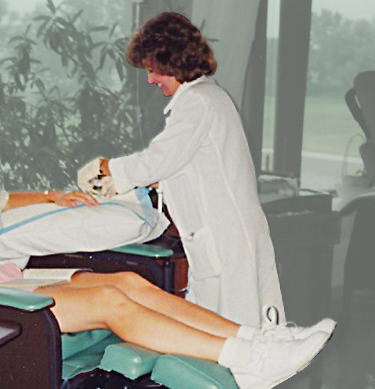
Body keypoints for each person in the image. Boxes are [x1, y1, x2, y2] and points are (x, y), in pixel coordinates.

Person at [0, 103, 335, 389]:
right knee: (110, 304)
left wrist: (51, 196)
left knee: (127, 283)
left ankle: (260, 339)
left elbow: (0, 201)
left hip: (3, 280)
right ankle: (244, 360)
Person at [78, 12, 288, 326]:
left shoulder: (198, 103)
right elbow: (187, 167)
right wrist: (146, 186)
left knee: (230, 330)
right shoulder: (208, 97)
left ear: (171, 61)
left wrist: (106, 167)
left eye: (152, 69)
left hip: (225, 238)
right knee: (231, 328)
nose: (150, 79)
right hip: (228, 234)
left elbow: (161, 158)